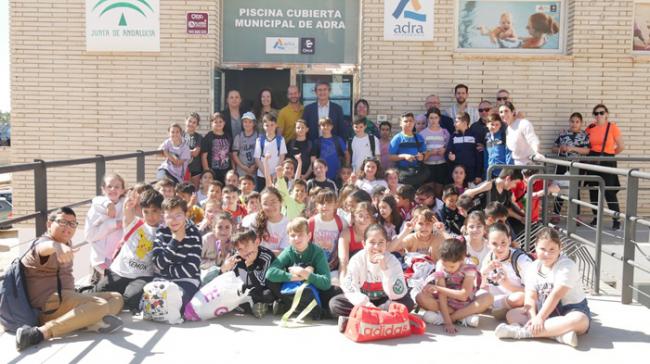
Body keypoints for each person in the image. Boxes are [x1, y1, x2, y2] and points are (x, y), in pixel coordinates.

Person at [16, 207, 124, 351]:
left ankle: (86, 321)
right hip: (49, 306)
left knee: (116, 297)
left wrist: (62, 246)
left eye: (72, 224)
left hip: (66, 298)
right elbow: (43, 248)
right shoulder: (42, 244)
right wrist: (56, 246)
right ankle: (40, 333)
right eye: (63, 222)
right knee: (101, 305)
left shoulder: (67, 243)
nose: (68, 227)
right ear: (49, 224)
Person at [495, 228, 591, 347]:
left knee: (580, 320)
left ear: (560, 248)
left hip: (570, 310)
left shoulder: (567, 265)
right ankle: (558, 335)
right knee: (512, 315)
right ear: (535, 247)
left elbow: (556, 295)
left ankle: (523, 332)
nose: (547, 254)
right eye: (543, 249)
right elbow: (530, 296)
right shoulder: (533, 267)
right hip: (543, 309)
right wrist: (533, 317)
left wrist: (540, 318)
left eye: (552, 250)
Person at [332, 224, 414, 331]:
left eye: (381, 243)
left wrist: (385, 269)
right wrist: (367, 305)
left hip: (385, 302)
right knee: (335, 304)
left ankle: (365, 318)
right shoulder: (357, 260)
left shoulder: (392, 261)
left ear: (386, 244)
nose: (376, 247)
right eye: (372, 243)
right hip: (364, 302)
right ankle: (384, 318)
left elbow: (396, 294)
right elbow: (351, 288)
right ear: (364, 244)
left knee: (408, 303)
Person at [96, 188, 163, 312]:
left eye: (154, 211)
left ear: (161, 211)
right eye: (146, 211)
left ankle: (117, 299)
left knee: (131, 299)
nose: (150, 216)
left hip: (143, 275)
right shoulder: (135, 223)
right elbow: (127, 212)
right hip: (119, 271)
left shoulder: (163, 232)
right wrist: (129, 204)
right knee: (99, 292)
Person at [265, 217, 337, 320]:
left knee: (333, 290)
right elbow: (270, 273)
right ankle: (293, 306)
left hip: (312, 288)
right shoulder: (288, 251)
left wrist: (305, 274)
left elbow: (326, 282)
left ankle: (292, 306)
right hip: (294, 287)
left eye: (300, 235)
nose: (297, 238)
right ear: (288, 238)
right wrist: (294, 277)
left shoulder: (317, 252)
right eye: (293, 235)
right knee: (271, 281)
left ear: (309, 236)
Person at [415, 238, 492, 332]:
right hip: (448, 305)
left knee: (488, 297)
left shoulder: (469, 267)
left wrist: (448, 322)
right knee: (420, 297)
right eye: (445, 265)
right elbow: (442, 296)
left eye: (452, 266)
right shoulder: (441, 265)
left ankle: (449, 318)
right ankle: (463, 318)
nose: (448, 269)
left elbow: (463, 295)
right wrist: (448, 323)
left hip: (465, 303)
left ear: (462, 259)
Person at [152, 197, 202, 314]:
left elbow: (190, 269)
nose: (174, 220)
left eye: (178, 215)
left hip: (187, 280)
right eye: (169, 216)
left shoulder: (194, 234)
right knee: (150, 299)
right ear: (163, 217)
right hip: (162, 280)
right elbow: (158, 264)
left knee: (178, 299)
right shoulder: (161, 232)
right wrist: (175, 241)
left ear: (186, 214)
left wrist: (165, 270)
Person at [219, 229, 277, 319]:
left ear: (257, 242)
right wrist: (224, 269)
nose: (244, 251)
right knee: (226, 293)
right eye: (240, 249)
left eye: (247, 245)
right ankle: (256, 307)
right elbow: (224, 281)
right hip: (244, 290)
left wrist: (250, 266)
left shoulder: (266, 256)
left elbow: (261, 285)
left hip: (261, 290)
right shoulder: (237, 257)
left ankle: (253, 306)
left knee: (267, 294)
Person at [584, 104, 625, 231]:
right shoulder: (590, 128)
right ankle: (596, 218)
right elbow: (585, 145)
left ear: (606, 113)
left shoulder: (612, 127)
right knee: (594, 190)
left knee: (609, 192)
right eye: (596, 113)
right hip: (593, 160)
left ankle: (616, 220)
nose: (599, 116)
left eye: (601, 113)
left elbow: (621, 146)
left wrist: (609, 156)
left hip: (607, 161)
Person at [480, 222, 532, 318]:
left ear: (509, 240)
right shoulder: (489, 257)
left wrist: (507, 284)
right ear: (488, 244)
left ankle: (493, 309)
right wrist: (484, 273)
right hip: (496, 298)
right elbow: (481, 286)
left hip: (514, 297)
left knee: (519, 298)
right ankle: (496, 309)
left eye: (503, 242)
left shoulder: (521, 260)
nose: (499, 248)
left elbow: (533, 291)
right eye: (494, 244)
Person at [84, 173, 126, 284]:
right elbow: (89, 236)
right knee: (98, 290)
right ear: (103, 189)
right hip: (100, 261)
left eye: (117, 187)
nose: (113, 189)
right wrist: (111, 224)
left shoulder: (125, 206)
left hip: (118, 259)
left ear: (122, 190)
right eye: (109, 186)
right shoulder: (96, 208)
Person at [551, 112, 590, 220]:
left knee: (575, 190)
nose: (574, 124)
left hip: (577, 165)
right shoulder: (563, 134)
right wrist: (561, 149)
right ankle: (556, 214)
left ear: (581, 123)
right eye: (572, 121)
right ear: (569, 122)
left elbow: (587, 150)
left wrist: (573, 149)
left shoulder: (584, 135)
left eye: (577, 122)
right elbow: (553, 148)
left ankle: (576, 216)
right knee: (559, 188)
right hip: (563, 164)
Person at [242, 187, 290, 255]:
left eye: (273, 202)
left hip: (276, 262)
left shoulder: (288, 224)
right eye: (265, 203)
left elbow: (283, 252)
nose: (269, 207)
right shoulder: (252, 219)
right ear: (261, 205)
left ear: (280, 202)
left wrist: (261, 254)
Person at [309, 189, 347, 272]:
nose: (325, 206)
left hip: (335, 264)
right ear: (316, 205)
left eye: (329, 202)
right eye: (321, 203)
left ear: (335, 205)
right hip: (314, 264)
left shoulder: (342, 222)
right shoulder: (311, 222)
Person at [337, 202, 377, 277]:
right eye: (360, 216)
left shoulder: (375, 234)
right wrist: (343, 280)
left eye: (367, 217)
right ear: (353, 218)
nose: (363, 220)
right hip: (351, 270)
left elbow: (387, 249)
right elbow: (343, 261)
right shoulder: (346, 234)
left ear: (372, 220)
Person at [389, 113, 428, 186]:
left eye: (411, 121)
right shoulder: (397, 138)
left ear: (414, 123)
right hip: (403, 175)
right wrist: (404, 156)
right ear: (401, 123)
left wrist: (422, 156)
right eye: (406, 121)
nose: (408, 123)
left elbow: (425, 154)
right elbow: (391, 157)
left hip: (417, 174)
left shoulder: (419, 137)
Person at [419, 107, 450, 196]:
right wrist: (431, 152)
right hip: (428, 165)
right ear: (428, 119)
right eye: (431, 118)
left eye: (436, 117)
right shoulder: (423, 134)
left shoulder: (445, 132)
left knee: (439, 191)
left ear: (439, 118)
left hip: (441, 165)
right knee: (429, 191)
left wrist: (445, 150)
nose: (433, 120)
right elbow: (421, 152)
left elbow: (449, 148)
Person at [254, 113, 287, 192]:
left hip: (276, 175)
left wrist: (275, 173)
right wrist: (266, 174)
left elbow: (282, 156)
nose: (269, 127)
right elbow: (257, 159)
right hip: (262, 175)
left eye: (272, 125)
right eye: (267, 125)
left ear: (276, 125)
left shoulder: (281, 139)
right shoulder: (259, 140)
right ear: (263, 126)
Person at [446, 112, 482, 184]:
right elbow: (448, 151)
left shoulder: (474, 135)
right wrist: (449, 156)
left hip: (472, 172)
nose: (454, 124)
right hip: (458, 173)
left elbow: (479, 156)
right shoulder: (453, 136)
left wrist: (478, 174)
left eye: (456, 122)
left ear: (464, 122)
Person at [312, 117, 348, 182]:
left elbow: (347, 154)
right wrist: (316, 171)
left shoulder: (338, 140)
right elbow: (313, 158)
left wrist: (346, 168)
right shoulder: (317, 142)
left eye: (328, 125)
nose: (326, 127)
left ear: (332, 126)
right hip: (322, 175)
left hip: (337, 175)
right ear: (319, 127)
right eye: (323, 125)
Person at [201, 112, 232, 184]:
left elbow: (230, 154)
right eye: (215, 122)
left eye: (220, 121)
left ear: (224, 123)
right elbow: (204, 157)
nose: (218, 124)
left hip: (226, 172)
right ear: (211, 123)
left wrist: (233, 169)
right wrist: (207, 172)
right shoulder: (208, 137)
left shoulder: (228, 136)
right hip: (213, 172)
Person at [232, 111, 259, 178]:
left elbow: (262, 154)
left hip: (255, 170)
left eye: (250, 122)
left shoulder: (258, 136)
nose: (247, 124)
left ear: (254, 123)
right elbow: (234, 155)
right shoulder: (238, 137)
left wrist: (255, 165)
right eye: (245, 122)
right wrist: (243, 167)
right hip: (241, 171)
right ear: (242, 123)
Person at [485, 113, 510, 179]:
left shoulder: (504, 136)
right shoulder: (487, 138)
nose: (494, 127)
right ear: (487, 124)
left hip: (503, 172)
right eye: (492, 124)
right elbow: (487, 155)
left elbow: (509, 154)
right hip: (491, 171)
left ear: (500, 125)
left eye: (497, 124)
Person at [184, 112, 204, 188]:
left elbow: (195, 153)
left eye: (194, 122)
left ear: (197, 125)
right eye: (189, 121)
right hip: (181, 169)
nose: (191, 124)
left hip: (195, 169)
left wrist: (181, 152)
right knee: (182, 192)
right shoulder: (179, 135)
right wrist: (189, 152)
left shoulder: (199, 137)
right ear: (185, 121)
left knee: (194, 192)